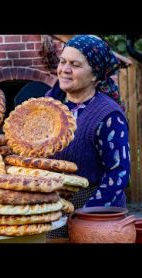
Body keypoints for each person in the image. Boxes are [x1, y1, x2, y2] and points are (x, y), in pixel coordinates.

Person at [45, 35, 130, 239]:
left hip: (97, 214)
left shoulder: (108, 116)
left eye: (75, 64)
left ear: (94, 75)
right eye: (63, 61)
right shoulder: (49, 104)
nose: (64, 69)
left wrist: (83, 215)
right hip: (53, 207)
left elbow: (118, 175)